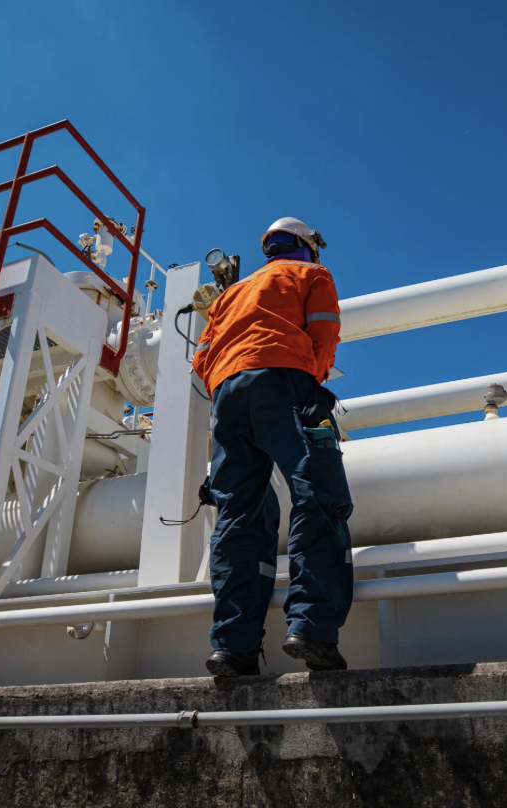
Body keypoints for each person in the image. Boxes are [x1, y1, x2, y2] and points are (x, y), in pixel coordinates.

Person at [191, 217, 354, 676]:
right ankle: (312, 628)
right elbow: (324, 334)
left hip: (228, 394)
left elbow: (201, 359)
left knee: (238, 515)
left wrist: (230, 384)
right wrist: (312, 382)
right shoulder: (312, 275)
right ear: (307, 247)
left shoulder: (229, 295)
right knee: (318, 494)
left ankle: (233, 647)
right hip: (284, 382)